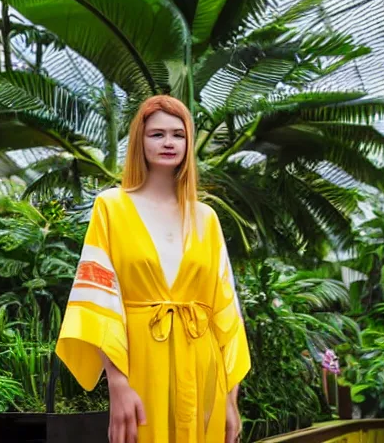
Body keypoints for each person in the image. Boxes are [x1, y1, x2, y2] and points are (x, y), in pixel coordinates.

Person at [56, 95, 251, 443]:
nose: (168, 142)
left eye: (178, 134)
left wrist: (230, 397)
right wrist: (117, 383)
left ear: (188, 143)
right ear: (139, 141)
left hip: (202, 367)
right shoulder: (111, 207)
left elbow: (225, 311)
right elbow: (98, 298)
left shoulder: (206, 218)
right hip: (142, 363)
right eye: (156, 134)